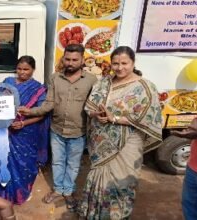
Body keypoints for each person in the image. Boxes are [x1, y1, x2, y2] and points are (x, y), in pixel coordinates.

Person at [77, 46, 162, 219]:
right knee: (98, 177)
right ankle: (94, 213)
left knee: (123, 180)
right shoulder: (103, 82)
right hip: (100, 142)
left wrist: (113, 118)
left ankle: (117, 215)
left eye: (124, 63)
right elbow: (90, 107)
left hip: (129, 143)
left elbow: (148, 117)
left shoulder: (144, 87)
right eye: (115, 63)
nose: (119, 67)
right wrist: (97, 115)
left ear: (133, 63)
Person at [18, 44, 98, 210]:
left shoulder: (91, 80)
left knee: (73, 164)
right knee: (58, 162)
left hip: (79, 131)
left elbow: (95, 106)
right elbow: (49, 104)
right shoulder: (55, 78)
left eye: (75, 60)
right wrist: (30, 111)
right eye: (67, 59)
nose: (70, 63)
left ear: (83, 60)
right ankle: (58, 189)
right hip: (57, 130)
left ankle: (68, 191)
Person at [0, 56, 50, 204]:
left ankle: (19, 194)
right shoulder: (7, 82)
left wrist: (23, 123)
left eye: (26, 69)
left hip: (25, 134)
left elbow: (41, 114)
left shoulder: (38, 89)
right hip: (4, 131)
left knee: (24, 164)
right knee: (1, 161)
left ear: (33, 70)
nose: (22, 72)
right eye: (19, 69)